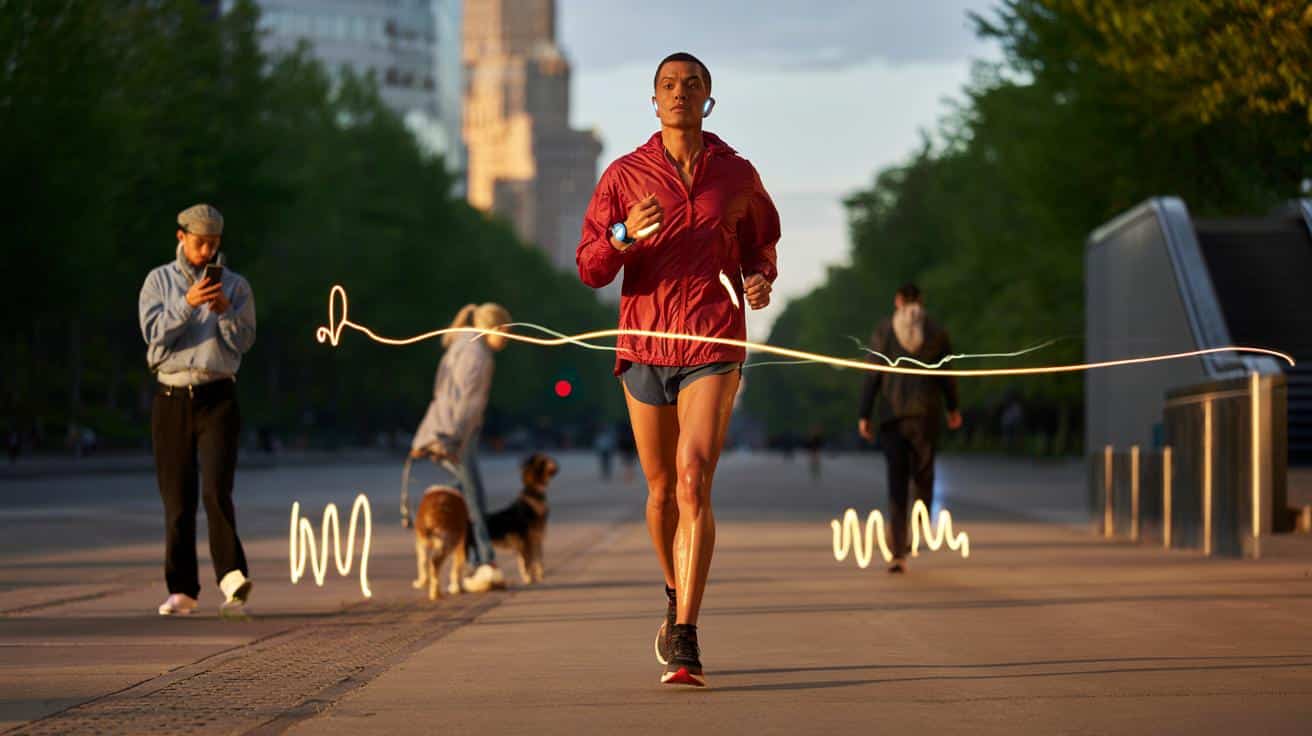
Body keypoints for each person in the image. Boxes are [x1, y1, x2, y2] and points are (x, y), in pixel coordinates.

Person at [576, 52, 780, 687]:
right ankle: (673, 591)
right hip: (643, 342)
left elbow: (761, 243)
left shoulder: (737, 174)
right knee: (661, 491)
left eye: (692, 85)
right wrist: (622, 236)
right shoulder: (624, 175)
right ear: (654, 100)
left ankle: (686, 637)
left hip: (714, 340)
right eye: (669, 85)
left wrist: (758, 277)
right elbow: (589, 267)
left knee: (694, 479)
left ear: (708, 98)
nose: (680, 94)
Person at [138, 204, 256, 616]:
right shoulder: (158, 282)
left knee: (216, 491)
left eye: (214, 244)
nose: (207, 251)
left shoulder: (237, 287)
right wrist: (187, 304)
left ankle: (232, 577)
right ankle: (183, 589)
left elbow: (243, 343)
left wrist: (224, 314)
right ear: (181, 237)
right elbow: (154, 340)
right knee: (177, 500)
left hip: (217, 397)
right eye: (200, 242)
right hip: (171, 398)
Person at [857, 283, 962, 574]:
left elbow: (873, 374)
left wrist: (864, 413)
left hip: (893, 417)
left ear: (898, 300)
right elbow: (947, 375)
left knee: (897, 481)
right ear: (921, 301)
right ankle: (918, 527)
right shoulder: (936, 330)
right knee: (924, 476)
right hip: (926, 415)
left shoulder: (885, 330)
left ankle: (898, 551)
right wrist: (953, 408)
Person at [410, 302, 513, 593]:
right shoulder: (475, 354)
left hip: (454, 433)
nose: (508, 339)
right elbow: (462, 402)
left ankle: (469, 561)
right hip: (455, 435)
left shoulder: (467, 348)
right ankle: (483, 563)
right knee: (473, 497)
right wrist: (450, 439)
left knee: (465, 493)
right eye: (506, 331)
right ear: (493, 328)